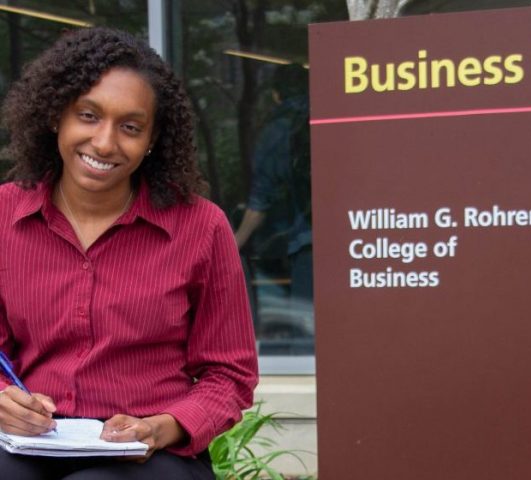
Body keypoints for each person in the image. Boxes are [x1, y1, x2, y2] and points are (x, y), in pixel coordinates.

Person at [0, 27, 258, 479]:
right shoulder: (3, 215)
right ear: (56, 115)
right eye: (88, 115)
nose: (104, 143)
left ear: (153, 139)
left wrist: (164, 427)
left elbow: (229, 376)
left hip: (151, 456)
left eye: (130, 127)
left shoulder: (201, 227)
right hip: (31, 442)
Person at [235, 64, 313, 303]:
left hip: (305, 243)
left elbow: (260, 202)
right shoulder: (330, 118)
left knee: (306, 327)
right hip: (353, 238)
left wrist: (235, 242)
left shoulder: (277, 130)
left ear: (276, 95)